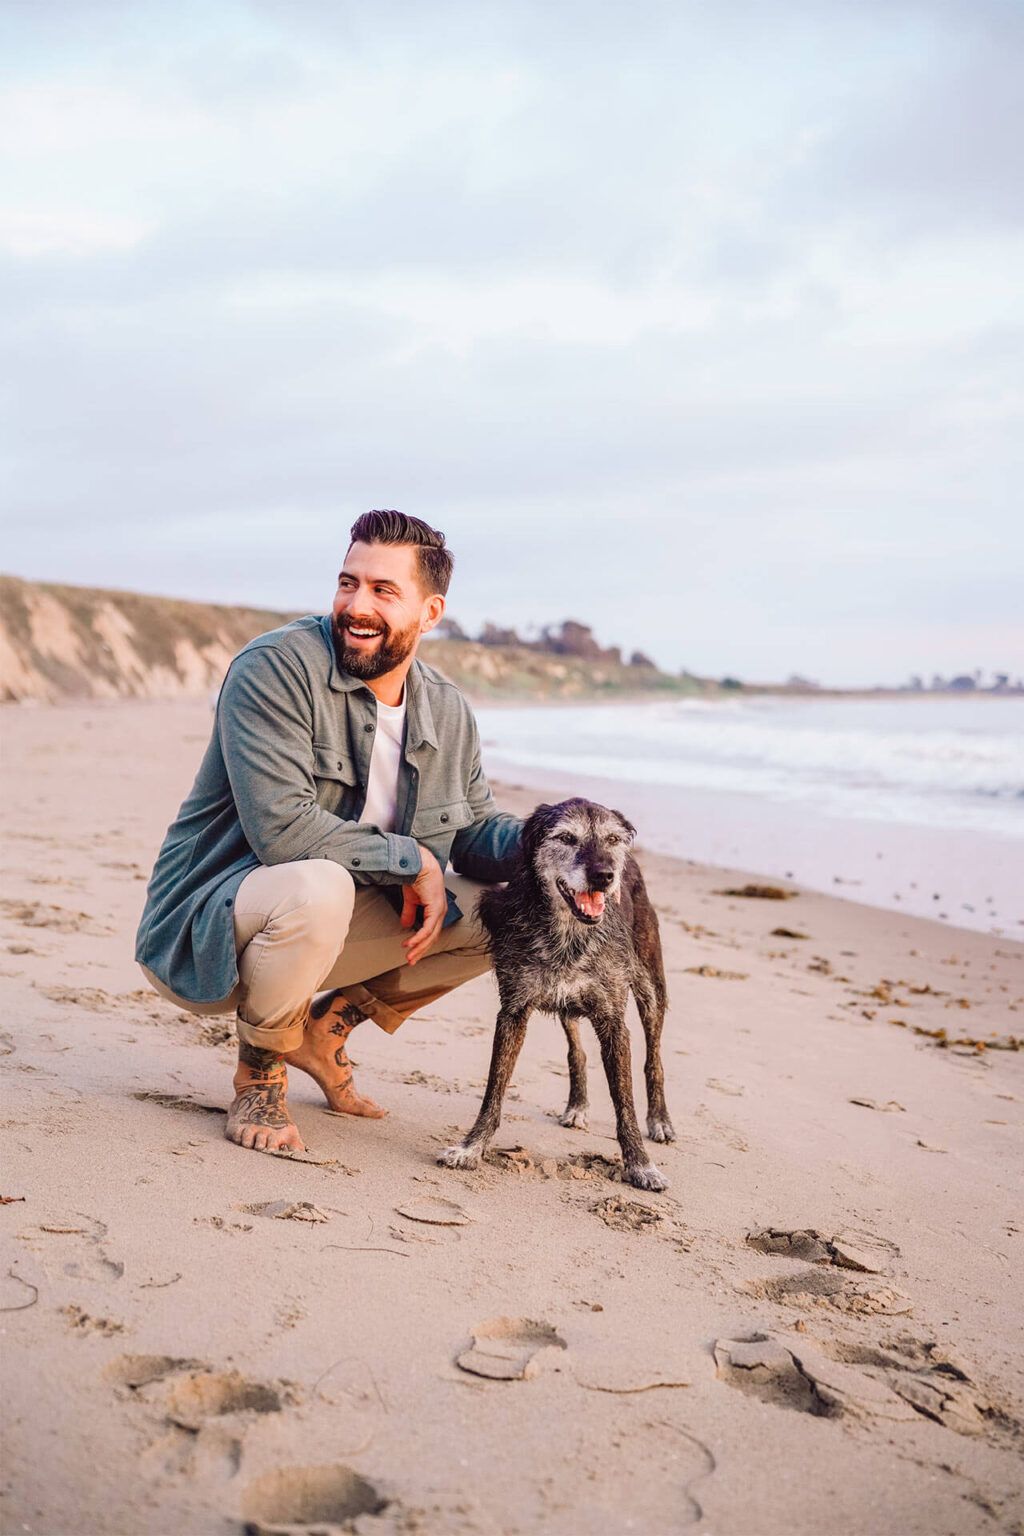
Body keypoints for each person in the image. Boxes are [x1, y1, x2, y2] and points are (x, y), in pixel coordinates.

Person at [136, 511, 522, 1155]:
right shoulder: (275, 669)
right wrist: (415, 862)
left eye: (382, 591)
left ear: (430, 614)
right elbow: (283, 833)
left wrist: (555, 838)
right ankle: (260, 1071)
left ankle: (325, 1031)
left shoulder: (447, 709)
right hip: (214, 923)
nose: (356, 606)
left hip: (322, 927)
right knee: (319, 883)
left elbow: (474, 830)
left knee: (515, 911)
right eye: (348, 583)